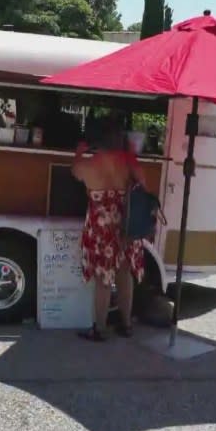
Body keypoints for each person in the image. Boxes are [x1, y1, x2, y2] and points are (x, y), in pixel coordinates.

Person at [72, 114, 147, 341]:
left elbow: (74, 173)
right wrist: (131, 155)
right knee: (125, 274)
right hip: (126, 222)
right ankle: (126, 325)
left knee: (103, 279)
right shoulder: (128, 161)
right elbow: (144, 185)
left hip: (101, 224)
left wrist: (79, 151)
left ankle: (100, 328)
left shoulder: (86, 165)